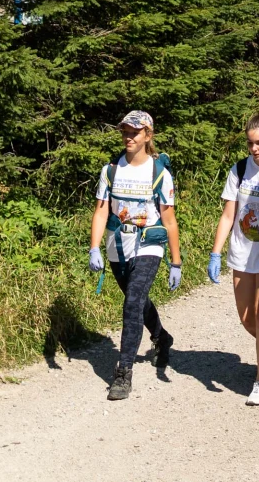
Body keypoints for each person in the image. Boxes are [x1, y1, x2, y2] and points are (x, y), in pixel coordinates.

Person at [88, 110, 181, 401]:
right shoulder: (111, 170)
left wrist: (175, 262)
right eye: (125, 131)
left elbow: (169, 220)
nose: (129, 137)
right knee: (136, 299)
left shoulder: (159, 174)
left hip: (149, 244)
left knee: (132, 301)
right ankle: (162, 338)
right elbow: (102, 209)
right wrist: (94, 246)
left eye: (135, 132)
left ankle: (123, 372)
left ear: (148, 136)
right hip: (118, 244)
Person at [208, 113, 259, 406]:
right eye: (250, 143)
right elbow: (229, 214)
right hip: (242, 252)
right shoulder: (240, 170)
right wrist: (216, 252)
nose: (254, 149)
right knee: (246, 318)